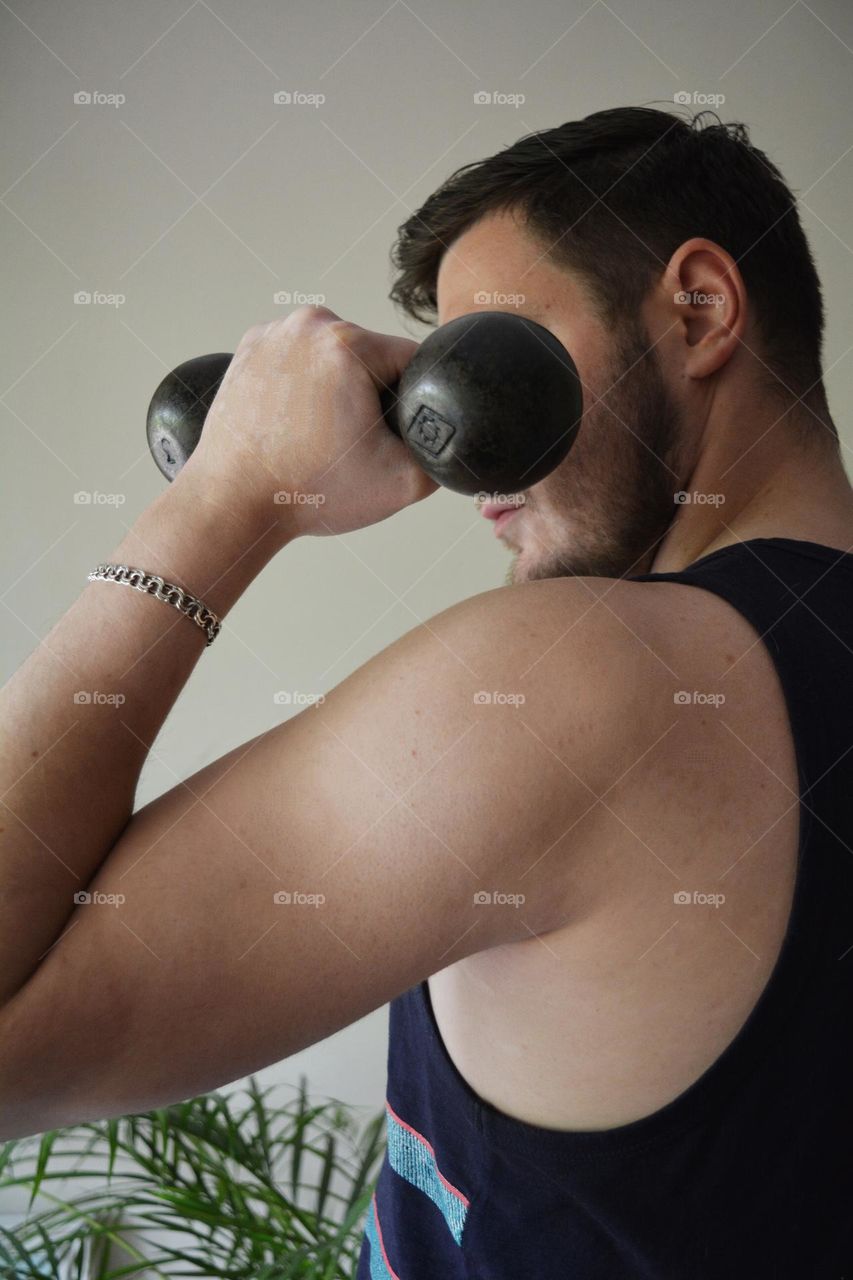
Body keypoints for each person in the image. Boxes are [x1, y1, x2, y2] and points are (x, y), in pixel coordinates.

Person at [2, 105, 852, 1277]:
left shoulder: (587, 682)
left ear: (698, 311)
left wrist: (227, 497)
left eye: (491, 351)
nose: (467, 466)